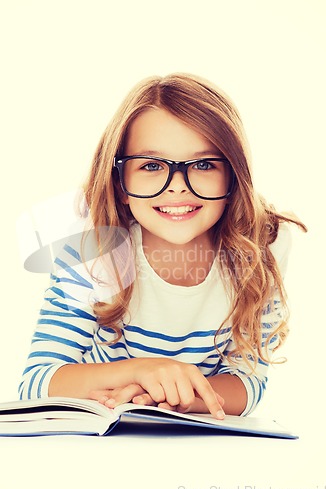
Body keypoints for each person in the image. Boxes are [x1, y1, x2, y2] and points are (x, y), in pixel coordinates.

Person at [18, 73, 307, 418]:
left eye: (203, 164)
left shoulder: (263, 246)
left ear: (234, 176)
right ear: (120, 182)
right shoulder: (91, 248)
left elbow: (249, 382)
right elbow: (37, 382)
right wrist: (142, 371)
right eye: (152, 165)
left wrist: (173, 396)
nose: (178, 187)